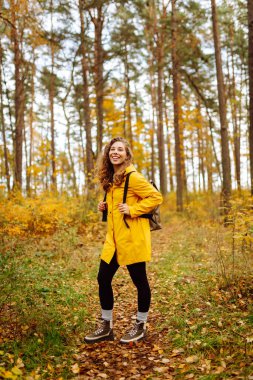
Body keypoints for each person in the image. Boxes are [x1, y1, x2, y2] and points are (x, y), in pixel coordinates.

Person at [84, 137, 163, 344]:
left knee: (140, 282)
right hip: (114, 240)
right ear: (108, 154)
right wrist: (106, 208)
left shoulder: (133, 177)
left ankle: (140, 325)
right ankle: (106, 326)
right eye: (112, 149)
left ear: (127, 155)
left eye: (120, 150)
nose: (115, 152)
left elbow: (156, 197)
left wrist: (133, 210)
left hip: (132, 238)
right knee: (103, 278)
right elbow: (119, 206)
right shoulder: (112, 179)